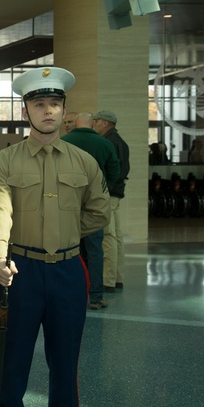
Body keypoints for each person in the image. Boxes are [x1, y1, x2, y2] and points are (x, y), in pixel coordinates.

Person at [0, 67, 109, 407]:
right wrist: (0, 258)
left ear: (65, 111)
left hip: (70, 272)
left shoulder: (85, 161)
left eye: (55, 104)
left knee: (65, 364)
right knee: (13, 364)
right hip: (21, 269)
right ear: (26, 110)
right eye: (39, 104)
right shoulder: (5, 161)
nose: (48, 111)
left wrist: (70, 236)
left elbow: (98, 210)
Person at [61, 112, 119, 311]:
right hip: (94, 205)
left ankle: (74, 294)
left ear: (75, 124)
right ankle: (96, 296)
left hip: (69, 205)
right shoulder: (104, 144)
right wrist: (102, 191)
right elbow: (115, 173)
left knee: (70, 250)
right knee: (95, 250)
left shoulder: (63, 142)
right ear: (92, 124)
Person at [93, 110, 130, 294]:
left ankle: (107, 280)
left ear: (106, 123)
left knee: (108, 236)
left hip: (109, 193)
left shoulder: (109, 142)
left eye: (96, 121)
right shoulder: (120, 141)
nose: (94, 124)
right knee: (117, 237)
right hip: (117, 194)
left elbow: (114, 172)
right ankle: (117, 278)